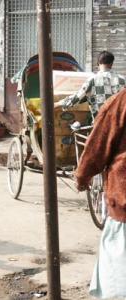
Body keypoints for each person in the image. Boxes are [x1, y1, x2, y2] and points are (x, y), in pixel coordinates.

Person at [75, 88, 126, 299]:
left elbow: (99, 144)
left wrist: (82, 175)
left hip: (123, 200)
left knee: (118, 275)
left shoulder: (122, 101)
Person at [54, 51, 125, 119]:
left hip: (100, 126)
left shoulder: (92, 80)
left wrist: (58, 104)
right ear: (111, 64)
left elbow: (76, 98)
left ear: (98, 63)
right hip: (121, 126)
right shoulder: (123, 80)